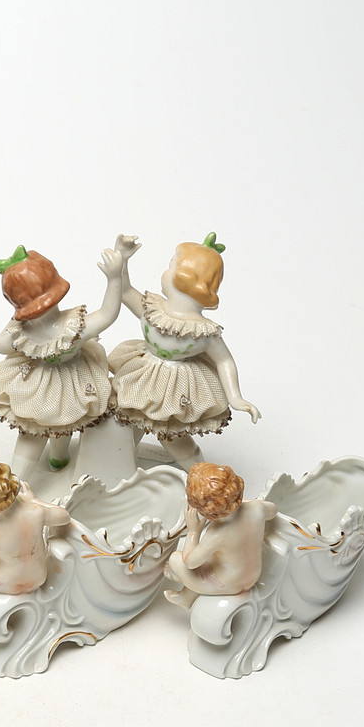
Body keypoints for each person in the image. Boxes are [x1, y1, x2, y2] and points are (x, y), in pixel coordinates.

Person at [109, 233, 259, 468]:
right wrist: (122, 259)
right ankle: (121, 461)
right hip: (143, 377)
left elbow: (224, 361)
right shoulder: (152, 310)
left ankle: (200, 473)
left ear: (184, 278)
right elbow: (125, 290)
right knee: (128, 420)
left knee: (173, 436)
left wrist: (235, 397)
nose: (164, 272)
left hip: (176, 390)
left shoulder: (203, 332)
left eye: (170, 265)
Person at [0, 243, 126, 478]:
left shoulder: (71, 328)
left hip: (64, 381)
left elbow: (107, 315)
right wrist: (114, 278)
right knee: (35, 431)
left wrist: (114, 278)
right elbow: (107, 314)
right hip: (42, 385)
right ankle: (19, 480)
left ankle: (56, 460)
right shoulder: (27, 332)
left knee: (60, 423)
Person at [163, 462, 277, 608]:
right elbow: (273, 510)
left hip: (228, 583)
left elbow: (190, 562)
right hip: (252, 576)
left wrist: (193, 531)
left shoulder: (217, 534)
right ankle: (185, 598)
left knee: (176, 560)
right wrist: (239, 502)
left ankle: (179, 578)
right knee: (215, 558)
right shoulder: (257, 508)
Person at [0, 458, 71, 594]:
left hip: (10, 583)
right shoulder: (36, 511)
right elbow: (64, 516)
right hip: (38, 578)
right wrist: (33, 500)